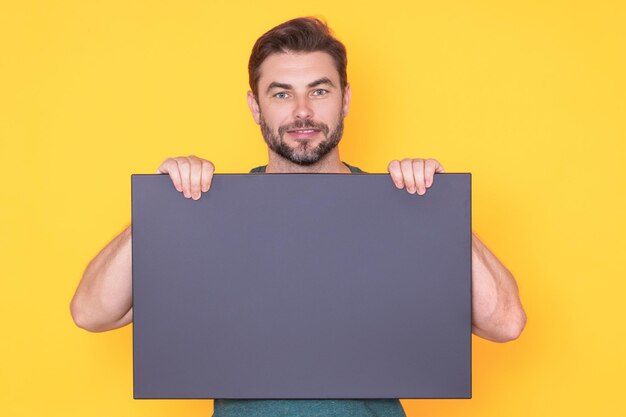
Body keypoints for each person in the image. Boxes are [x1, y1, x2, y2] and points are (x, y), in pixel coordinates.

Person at [70, 16, 526, 417]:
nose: (302, 111)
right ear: (255, 106)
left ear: (345, 100)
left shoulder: (398, 208)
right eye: (282, 93)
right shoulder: (207, 213)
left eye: (319, 91)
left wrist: (438, 210)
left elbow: (505, 322)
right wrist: (161, 210)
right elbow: (91, 313)